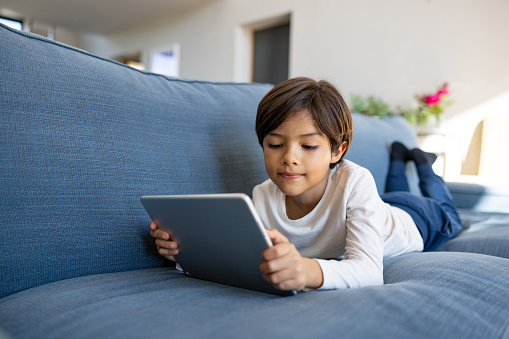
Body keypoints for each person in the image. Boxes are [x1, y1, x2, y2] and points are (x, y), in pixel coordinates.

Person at [149, 77, 462, 291]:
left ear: (337, 150)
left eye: (309, 147)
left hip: (418, 221)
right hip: (382, 207)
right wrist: (184, 253)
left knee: (444, 206)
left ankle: (422, 164)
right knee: (395, 192)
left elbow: (368, 271)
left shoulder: (356, 181)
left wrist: (308, 271)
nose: (289, 159)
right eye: (274, 145)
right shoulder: (261, 196)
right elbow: (245, 261)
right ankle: (398, 158)